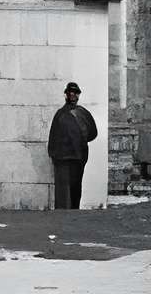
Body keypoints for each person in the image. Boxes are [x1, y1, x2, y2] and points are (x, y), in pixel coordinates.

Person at [46, 82, 98, 210]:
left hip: (78, 158)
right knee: (63, 190)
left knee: (75, 188)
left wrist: (81, 142)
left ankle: (74, 212)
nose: (72, 95)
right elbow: (53, 136)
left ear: (78, 95)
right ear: (66, 95)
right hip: (62, 159)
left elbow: (92, 132)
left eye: (75, 93)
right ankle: (63, 213)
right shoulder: (60, 114)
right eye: (70, 93)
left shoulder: (82, 113)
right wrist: (54, 154)